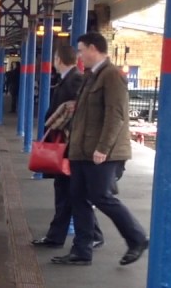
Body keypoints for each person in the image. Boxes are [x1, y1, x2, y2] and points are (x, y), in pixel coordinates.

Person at [51, 32, 149, 267]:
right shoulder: (91, 76)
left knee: (101, 196)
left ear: (94, 48)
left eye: (82, 50)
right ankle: (82, 250)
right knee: (78, 197)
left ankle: (137, 238)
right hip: (82, 151)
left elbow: (116, 115)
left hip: (102, 152)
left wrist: (103, 148)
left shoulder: (112, 76)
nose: (80, 55)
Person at [32, 43, 104, 249]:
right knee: (68, 191)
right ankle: (61, 236)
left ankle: (84, 235)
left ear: (58, 60)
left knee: (70, 192)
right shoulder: (69, 79)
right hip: (67, 146)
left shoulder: (75, 80)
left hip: (70, 147)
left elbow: (79, 114)